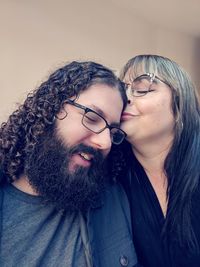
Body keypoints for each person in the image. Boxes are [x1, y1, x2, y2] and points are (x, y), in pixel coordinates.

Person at [0, 61, 138, 267]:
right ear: (50, 110)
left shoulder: (114, 198)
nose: (105, 143)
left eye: (112, 131)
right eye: (91, 118)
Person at [109, 54, 200, 267]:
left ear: (179, 105)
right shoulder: (108, 176)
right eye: (123, 90)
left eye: (142, 89)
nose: (127, 98)